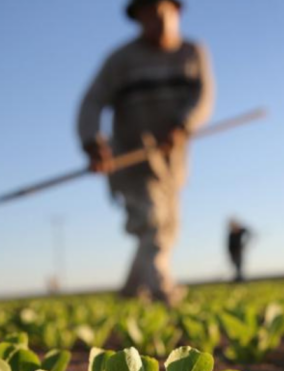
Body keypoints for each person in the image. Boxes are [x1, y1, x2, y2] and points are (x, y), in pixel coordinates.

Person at [77, 0, 214, 306]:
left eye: (162, 13)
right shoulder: (121, 60)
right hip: (130, 158)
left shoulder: (192, 53)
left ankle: (129, 292)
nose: (157, 21)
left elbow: (203, 96)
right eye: (148, 15)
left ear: (176, 13)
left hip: (172, 161)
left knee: (167, 227)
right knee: (151, 221)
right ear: (138, 19)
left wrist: (182, 125)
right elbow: (91, 102)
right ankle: (163, 292)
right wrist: (91, 142)